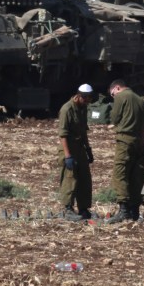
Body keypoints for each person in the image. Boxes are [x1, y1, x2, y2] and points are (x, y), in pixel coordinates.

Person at [106, 79, 144, 223]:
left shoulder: (121, 97)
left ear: (117, 88)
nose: (113, 97)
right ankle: (141, 210)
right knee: (137, 176)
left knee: (119, 174)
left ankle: (124, 210)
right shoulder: (141, 101)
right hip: (141, 142)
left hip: (125, 141)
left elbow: (114, 118)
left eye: (112, 94)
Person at [57, 83, 95, 222]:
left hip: (80, 149)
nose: (87, 101)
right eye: (85, 99)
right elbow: (63, 135)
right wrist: (68, 155)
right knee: (70, 178)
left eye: (89, 99)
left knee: (85, 179)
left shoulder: (83, 108)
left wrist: (88, 149)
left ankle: (84, 208)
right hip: (69, 149)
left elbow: (84, 131)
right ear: (79, 96)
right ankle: (68, 209)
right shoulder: (67, 109)